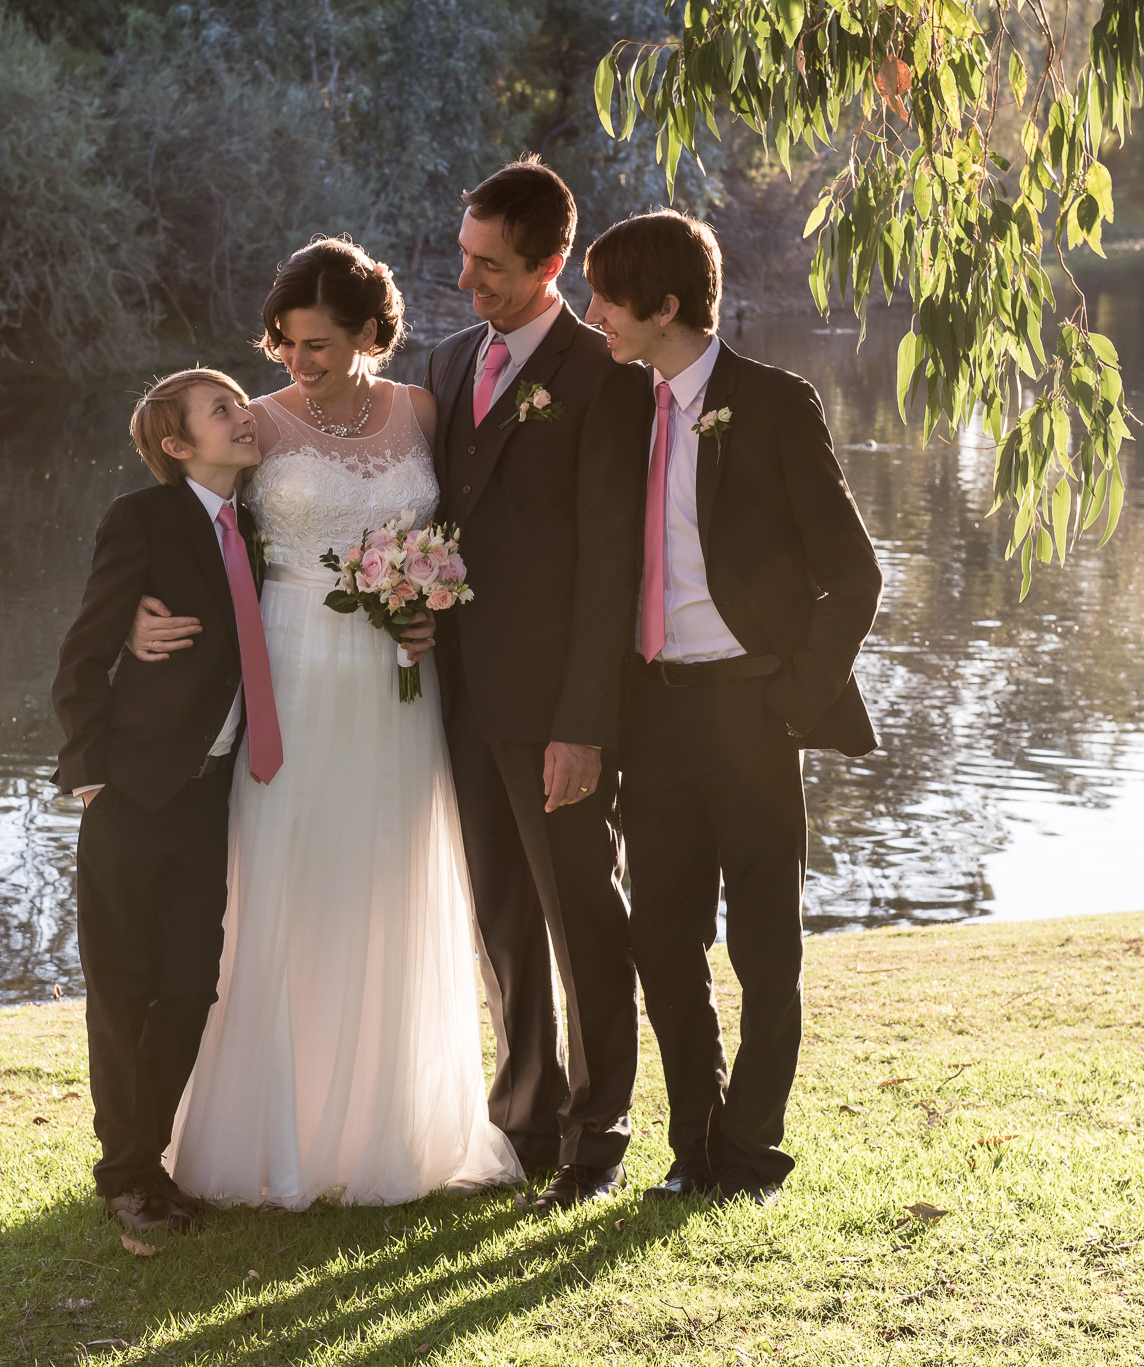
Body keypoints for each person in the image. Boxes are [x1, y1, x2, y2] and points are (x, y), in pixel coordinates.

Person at [160, 237, 521, 1207]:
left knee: (387, 876)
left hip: (397, 677)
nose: (293, 361)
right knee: (286, 881)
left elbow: (461, 534)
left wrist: (429, 604)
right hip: (287, 667)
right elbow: (188, 532)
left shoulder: (420, 410)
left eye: (316, 344)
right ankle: (276, 1134)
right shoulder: (260, 424)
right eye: (283, 341)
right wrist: (148, 622)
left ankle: (390, 1129)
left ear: (369, 333)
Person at [581, 210, 883, 1205]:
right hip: (654, 717)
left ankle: (750, 1156)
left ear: (664, 307)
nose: (594, 318)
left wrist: (792, 701)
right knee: (660, 936)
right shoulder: (620, 407)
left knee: (762, 945)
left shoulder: (772, 402)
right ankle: (693, 1145)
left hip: (753, 712)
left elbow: (852, 573)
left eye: (608, 300)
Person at [423, 157, 653, 1212]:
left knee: (578, 919)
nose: (468, 280)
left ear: (552, 264)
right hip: (460, 702)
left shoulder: (605, 374)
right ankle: (523, 1120)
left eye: (492, 267)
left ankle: (594, 1136)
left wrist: (581, 727)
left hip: (554, 710)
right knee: (502, 920)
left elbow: (611, 565)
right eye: (464, 257)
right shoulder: (443, 359)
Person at [50, 368, 275, 1232]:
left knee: (189, 985)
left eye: (239, 402)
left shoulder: (255, 529)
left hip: (211, 797)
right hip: (132, 794)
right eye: (222, 410)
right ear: (178, 446)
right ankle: (129, 1173)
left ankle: (148, 1155)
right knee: (122, 988)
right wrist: (90, 771)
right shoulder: (139, 520)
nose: (242, 414)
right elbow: (82, 654)